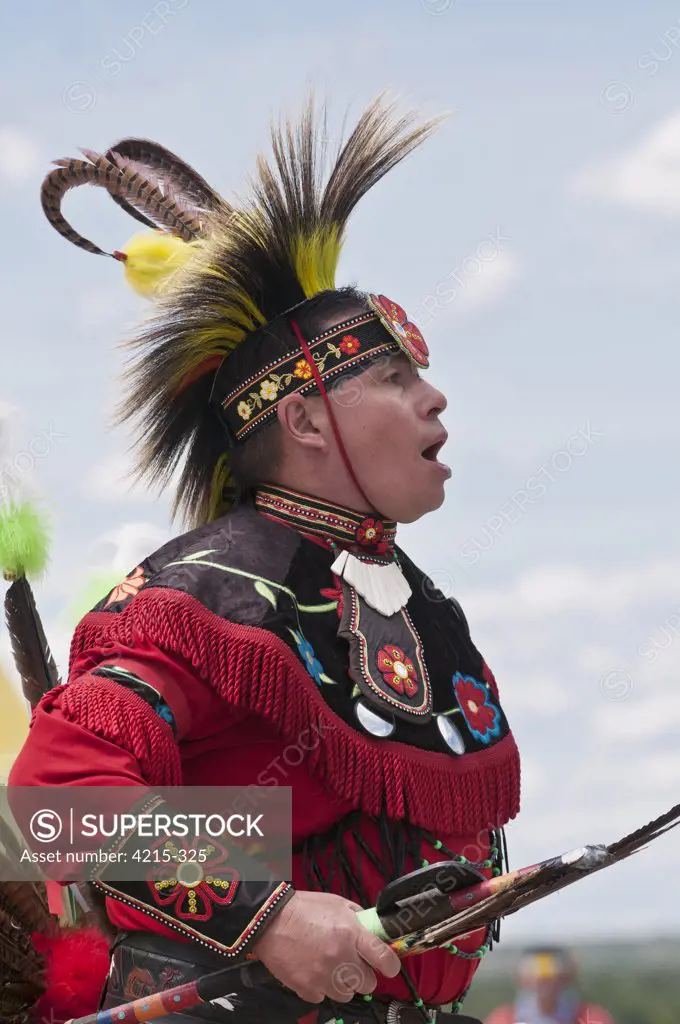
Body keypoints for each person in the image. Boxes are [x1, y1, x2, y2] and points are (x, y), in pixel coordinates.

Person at [9, 96, 521, 1023]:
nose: (437, 399)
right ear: (307, 418)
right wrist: (271, 915)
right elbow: (58, 803)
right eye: (397, 378)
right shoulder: (206, 600)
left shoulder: (415, 604)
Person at [485, 948, 615, 1024]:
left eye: (551, 974)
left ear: (566, 978)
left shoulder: (590, 1018)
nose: (544, 981)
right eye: (536, 972)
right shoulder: (503, 1019)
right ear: (521, 979)